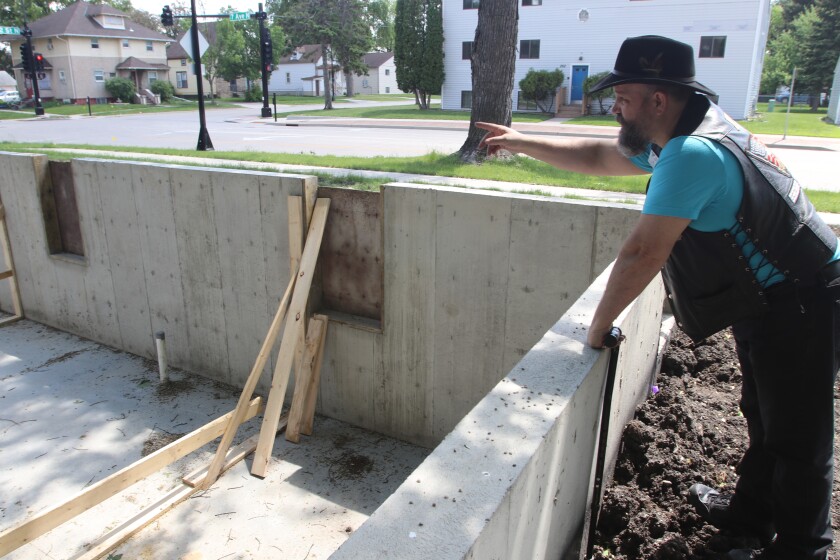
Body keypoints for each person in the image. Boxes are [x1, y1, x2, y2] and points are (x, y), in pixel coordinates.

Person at [478, 35, 840, 560]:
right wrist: (522, 140)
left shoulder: (693, 153)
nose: (615, 106)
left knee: (799, 437)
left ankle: (803, 550)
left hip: (804, 299)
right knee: (766, 418)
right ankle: (750, 518)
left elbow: (643, 253)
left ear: (658, 100)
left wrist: (599, 327)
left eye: (623, 97)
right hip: (773, 297)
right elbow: (601, 154)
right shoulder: (691, 130)